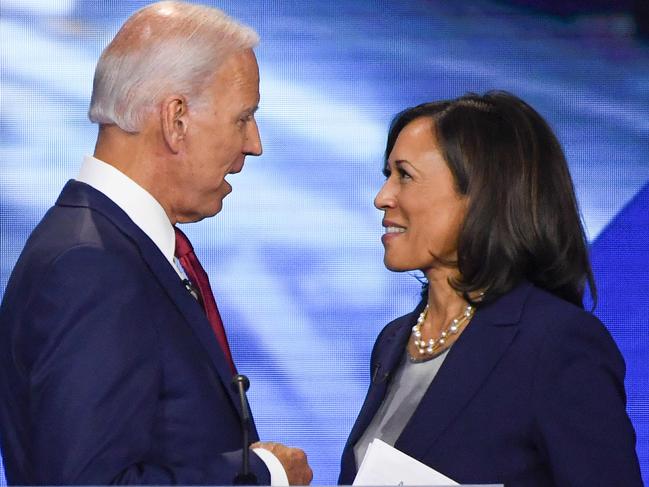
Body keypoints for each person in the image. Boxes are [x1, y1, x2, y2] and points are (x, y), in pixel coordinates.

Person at [0, 2, 312, 484]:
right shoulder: (92, 266)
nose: (254, 143)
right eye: (243, 117)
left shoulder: (112, 246)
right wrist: (265, 474)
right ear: (176, 119)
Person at [338, 91, 643, 486]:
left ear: (480, 194)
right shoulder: (395, 340)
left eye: (405, 175)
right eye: (387, 175)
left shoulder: (554, 344)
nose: (383, 198)